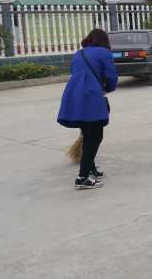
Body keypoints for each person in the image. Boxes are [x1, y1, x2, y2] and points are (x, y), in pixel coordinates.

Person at [58, 29, 118, 190]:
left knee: (87, 134)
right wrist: (108, 88)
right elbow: (111, 77)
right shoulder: (105, 53)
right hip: (91, 96)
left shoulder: (79, 53)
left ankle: (91, 170)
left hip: (73, 94)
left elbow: (74, 71)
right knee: (95, 136)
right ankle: (83, 177)